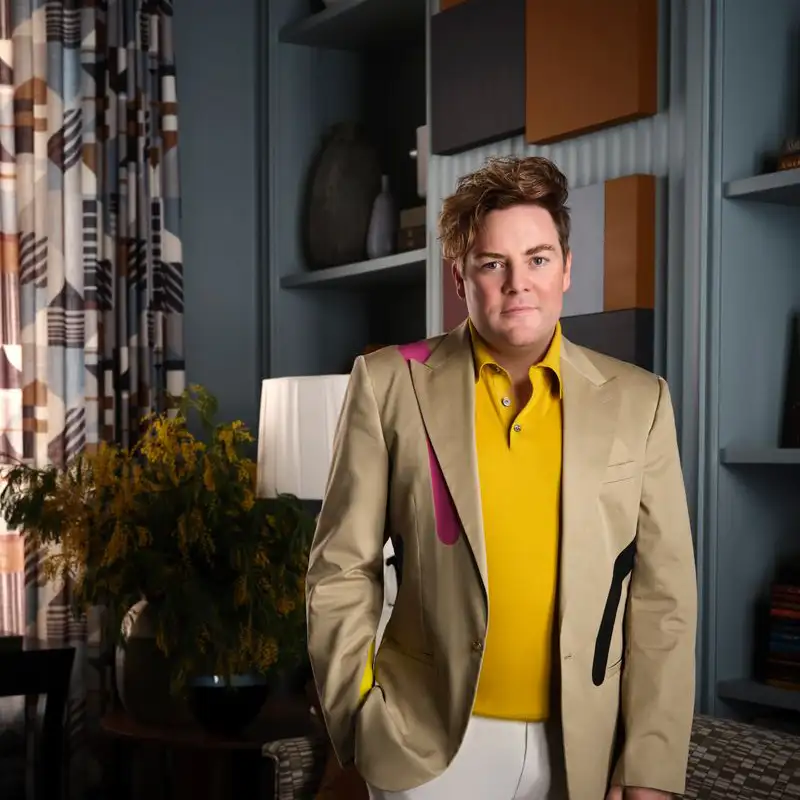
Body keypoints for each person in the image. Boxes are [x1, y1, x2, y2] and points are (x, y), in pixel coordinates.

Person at [305, 155, 697, 800]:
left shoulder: (640, 400)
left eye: (538, 259)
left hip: (582, 748)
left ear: (567, 269)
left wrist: (651, 765)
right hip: (426, 745)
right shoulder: (389, 383)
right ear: (461, 278)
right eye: (493, 263)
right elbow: (341, 568)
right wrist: (358, 716)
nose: (519, 283)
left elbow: (664, 600)